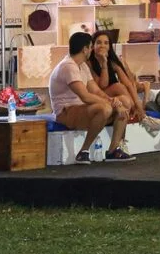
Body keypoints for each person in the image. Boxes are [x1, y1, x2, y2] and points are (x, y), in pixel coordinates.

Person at [49, 31, 135, 162]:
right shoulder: (68, 66)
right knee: (104, 108)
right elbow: (85, 97)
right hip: (66, 112)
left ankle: (114, 150)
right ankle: (83, 151)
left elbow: (96, 91)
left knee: (125, 101)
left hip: (82, 109)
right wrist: (111, 104)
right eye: (90, 47)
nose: (92, 50)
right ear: (85, 49)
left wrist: (113, 100)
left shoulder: (82, 65)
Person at [87, 30, 160, 142]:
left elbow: (129, 85)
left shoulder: (113, 62)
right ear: (93, 45)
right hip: (98, 95)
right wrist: (104, 63)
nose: (102, 46)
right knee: (118, 87)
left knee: (124, 93)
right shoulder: (89, 63)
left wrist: (139, 108)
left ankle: (138, 124)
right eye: (99, 42)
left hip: (117, 98)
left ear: (110, 46)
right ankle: (146, 120)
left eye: (106, 43)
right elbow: (102, 85)